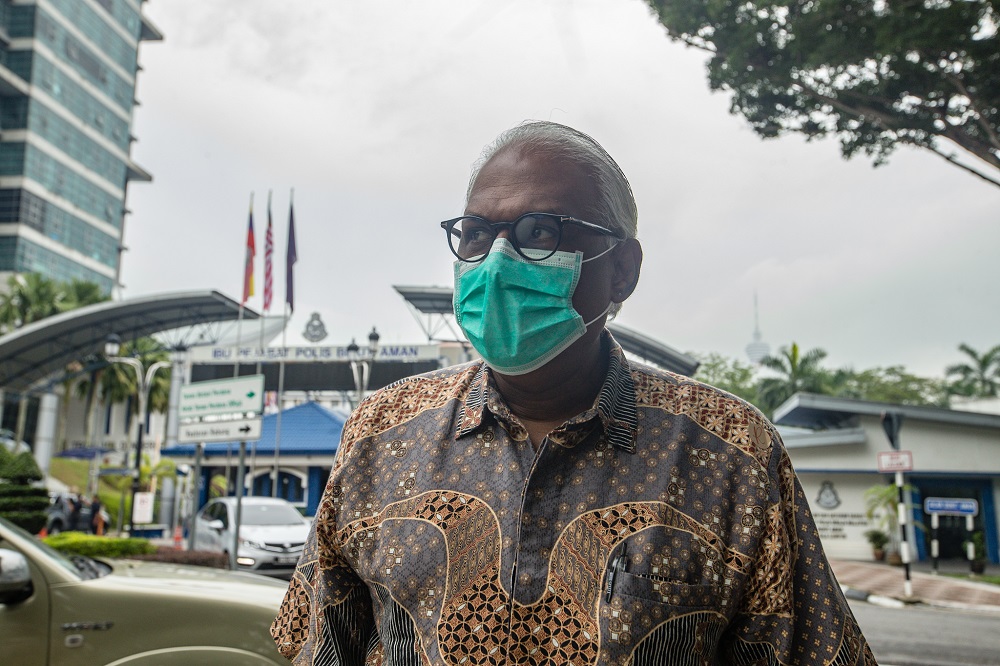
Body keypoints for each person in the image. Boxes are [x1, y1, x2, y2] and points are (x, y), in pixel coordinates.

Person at [271, 121, 876, 665]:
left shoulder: (730, 451)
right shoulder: (382, 431)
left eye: (542, 230)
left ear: (622, 270)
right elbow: (325, 643)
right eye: (477, 234)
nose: (499, 260)